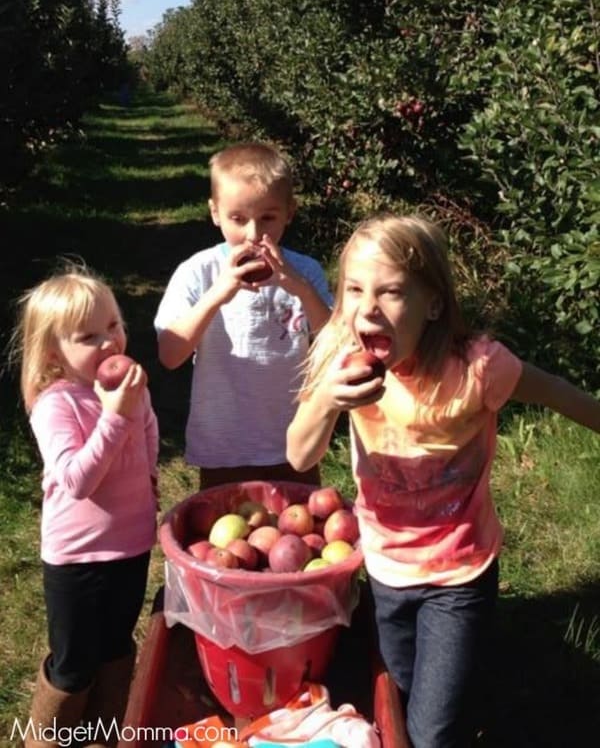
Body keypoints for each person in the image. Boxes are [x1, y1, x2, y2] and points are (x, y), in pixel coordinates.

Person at [286, 214, 600, 748]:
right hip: (385, 566)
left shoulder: (477, 368)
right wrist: (325, 401)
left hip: (460, 570)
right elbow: (299, 455)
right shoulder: (344, 359)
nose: (367, 308)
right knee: (399, 698)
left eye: (390, 292)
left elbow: (557, 393)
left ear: (433, 304)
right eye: (355, 290)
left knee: (433, 734)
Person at [12, 266, 159, 748]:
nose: (109, 342)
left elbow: (149, 435)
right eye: (89, 336)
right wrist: (116, 415)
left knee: (116, 651)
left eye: (114, 326)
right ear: (54, 351)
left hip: (131, 546)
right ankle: (48, 741)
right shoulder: (56, 403)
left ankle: (101, 738)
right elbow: (77, 479)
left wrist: (150, 480)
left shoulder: (130, 387)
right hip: (77, 559)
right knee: (74, 665)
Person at [155, 141, 332, 488]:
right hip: (225, 445)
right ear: (215, 212)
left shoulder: (305, 272)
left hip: (295, 441)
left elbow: (335, 344)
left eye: (268, 218)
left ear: (289, 212)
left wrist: (298, 288)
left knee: (301, 535)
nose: (253, 234)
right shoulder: (199, 272)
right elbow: (170, 355)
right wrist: (218, 294)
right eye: (238, 219)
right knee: (224, 533)